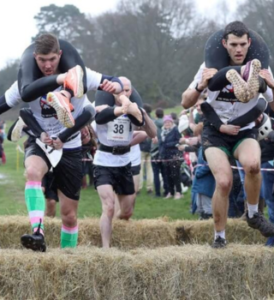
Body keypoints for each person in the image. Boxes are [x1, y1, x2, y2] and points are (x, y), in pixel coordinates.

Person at [3, 36, 123, 252]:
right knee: (32, 171)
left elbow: (116, 81)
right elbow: (2, 103)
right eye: (41, 60)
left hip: (69, 142)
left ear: (59, 55)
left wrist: (117, 84)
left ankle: (67, 258)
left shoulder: (80, 74)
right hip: (42, 139)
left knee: (69, 215)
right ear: (34, 57)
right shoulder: (25, 81)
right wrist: (42, 135)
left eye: (51, 59)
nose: (47, 65)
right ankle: (37, 233)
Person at [182, 21, 274, 248]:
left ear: (249, 43)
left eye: (243, 44)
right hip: (215, 132)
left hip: (244, 130)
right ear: (224, 44)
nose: (238, 49)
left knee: (253, 165)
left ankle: (253, 214)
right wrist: (200, 85)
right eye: (233, 44)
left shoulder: (260, 68)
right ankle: (219, 237)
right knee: (223, 182)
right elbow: (184, 101)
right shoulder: (209, 65)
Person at [93, 76, 156, 248]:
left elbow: (151, 133)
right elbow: (92, 122)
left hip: (124, 162)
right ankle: (106, 249)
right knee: (109, 207)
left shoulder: (135, 109)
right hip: (104, 162)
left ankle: (115, 227)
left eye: (127, 90)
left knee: (127, 211)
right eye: (120, 89)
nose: (123, 93)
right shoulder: (101, 107)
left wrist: (142, 115)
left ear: (131, 91)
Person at [160, 115, 182, 200]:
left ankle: (178, 192)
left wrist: (168, 145)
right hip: (165, 156)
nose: (167, 123)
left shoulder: (175, 130)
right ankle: (170, 192)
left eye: (169, 122)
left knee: (175, 174)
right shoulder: (162, 131)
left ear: (172, 122)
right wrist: (161, 154)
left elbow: (178, 141)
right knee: (167, 175)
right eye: (165, 122)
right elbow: (161, 144)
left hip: (174, 155)